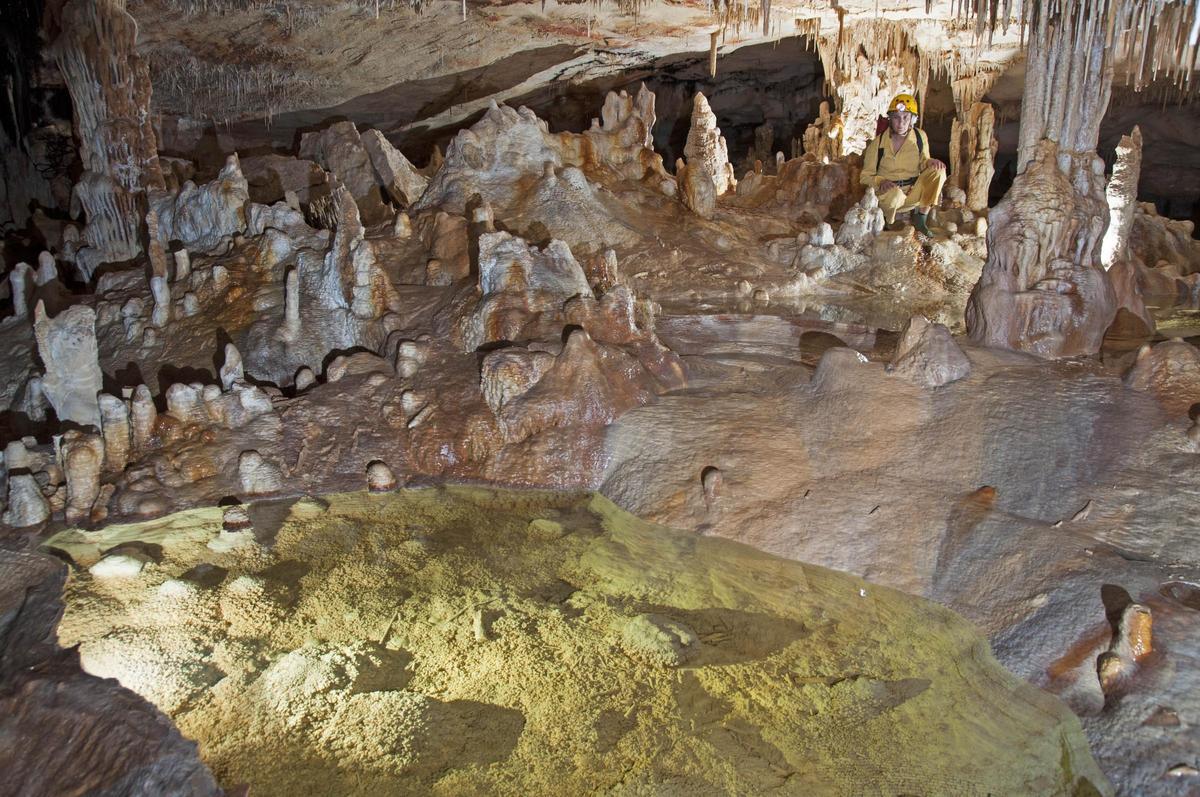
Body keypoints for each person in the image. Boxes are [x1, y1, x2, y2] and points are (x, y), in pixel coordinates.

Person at [859, 93, 946, 237]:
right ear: (890, 119)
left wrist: (930, 162)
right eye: (896, 118)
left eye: (905, 117)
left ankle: (921, 218)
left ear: (912, 119)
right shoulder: (878, 144)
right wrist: (881, 182)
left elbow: (924, 160)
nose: (901, 123)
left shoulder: (920, 137)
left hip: (912, 193)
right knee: (895, 195)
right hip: (889, 196)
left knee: (939, 171)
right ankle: (887, 221)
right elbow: (865, 176)